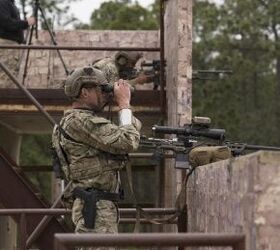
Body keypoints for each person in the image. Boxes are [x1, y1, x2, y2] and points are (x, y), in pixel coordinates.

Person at [52, 66, 141, 243]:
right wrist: (123, 104)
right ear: (85, 92)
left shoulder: (72, 121)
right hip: (96, 208)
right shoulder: (80, 121)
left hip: (96, 205)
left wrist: (123, 106)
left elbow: (131, 131)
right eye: (101, 89)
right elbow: (129, 141)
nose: (105, 94)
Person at [0, 0, 36, 86]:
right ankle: (5, 99)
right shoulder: (3, 2)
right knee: (6, 76)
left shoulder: (10, 3)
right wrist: (26, 23)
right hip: (7, 44)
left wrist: (21, 39)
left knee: (9, 75)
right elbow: (7, 23)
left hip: (10, 44)